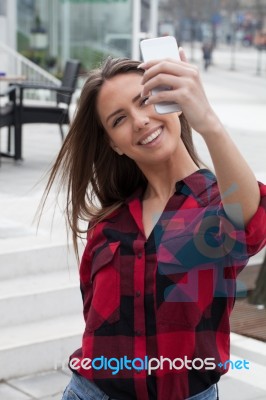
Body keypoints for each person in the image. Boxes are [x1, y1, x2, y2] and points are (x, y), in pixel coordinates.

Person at [41, 49, 266, 400]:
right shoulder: (109, 224)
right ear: (113, 145)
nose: (140, 120)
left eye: (145, 101)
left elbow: (250, 220)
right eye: (118, 119)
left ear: (171, 102)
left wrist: (206, 118)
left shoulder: (214, 204)